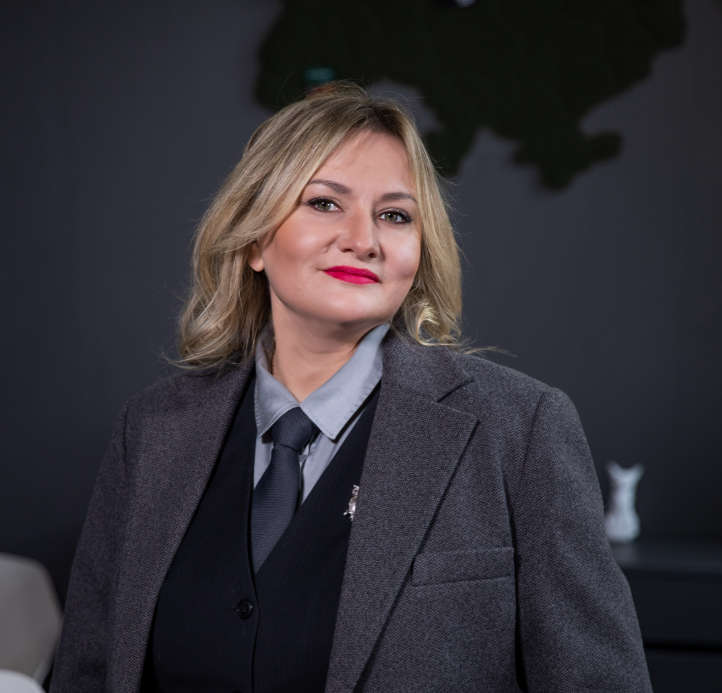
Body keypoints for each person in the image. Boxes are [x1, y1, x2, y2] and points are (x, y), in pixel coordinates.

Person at [51, 82, 652, 692]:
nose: (363, 240)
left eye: (395, 215)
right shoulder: (151, 430)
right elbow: (87, 673)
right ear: (254, 238)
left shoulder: (520, 427)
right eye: (324, 203)